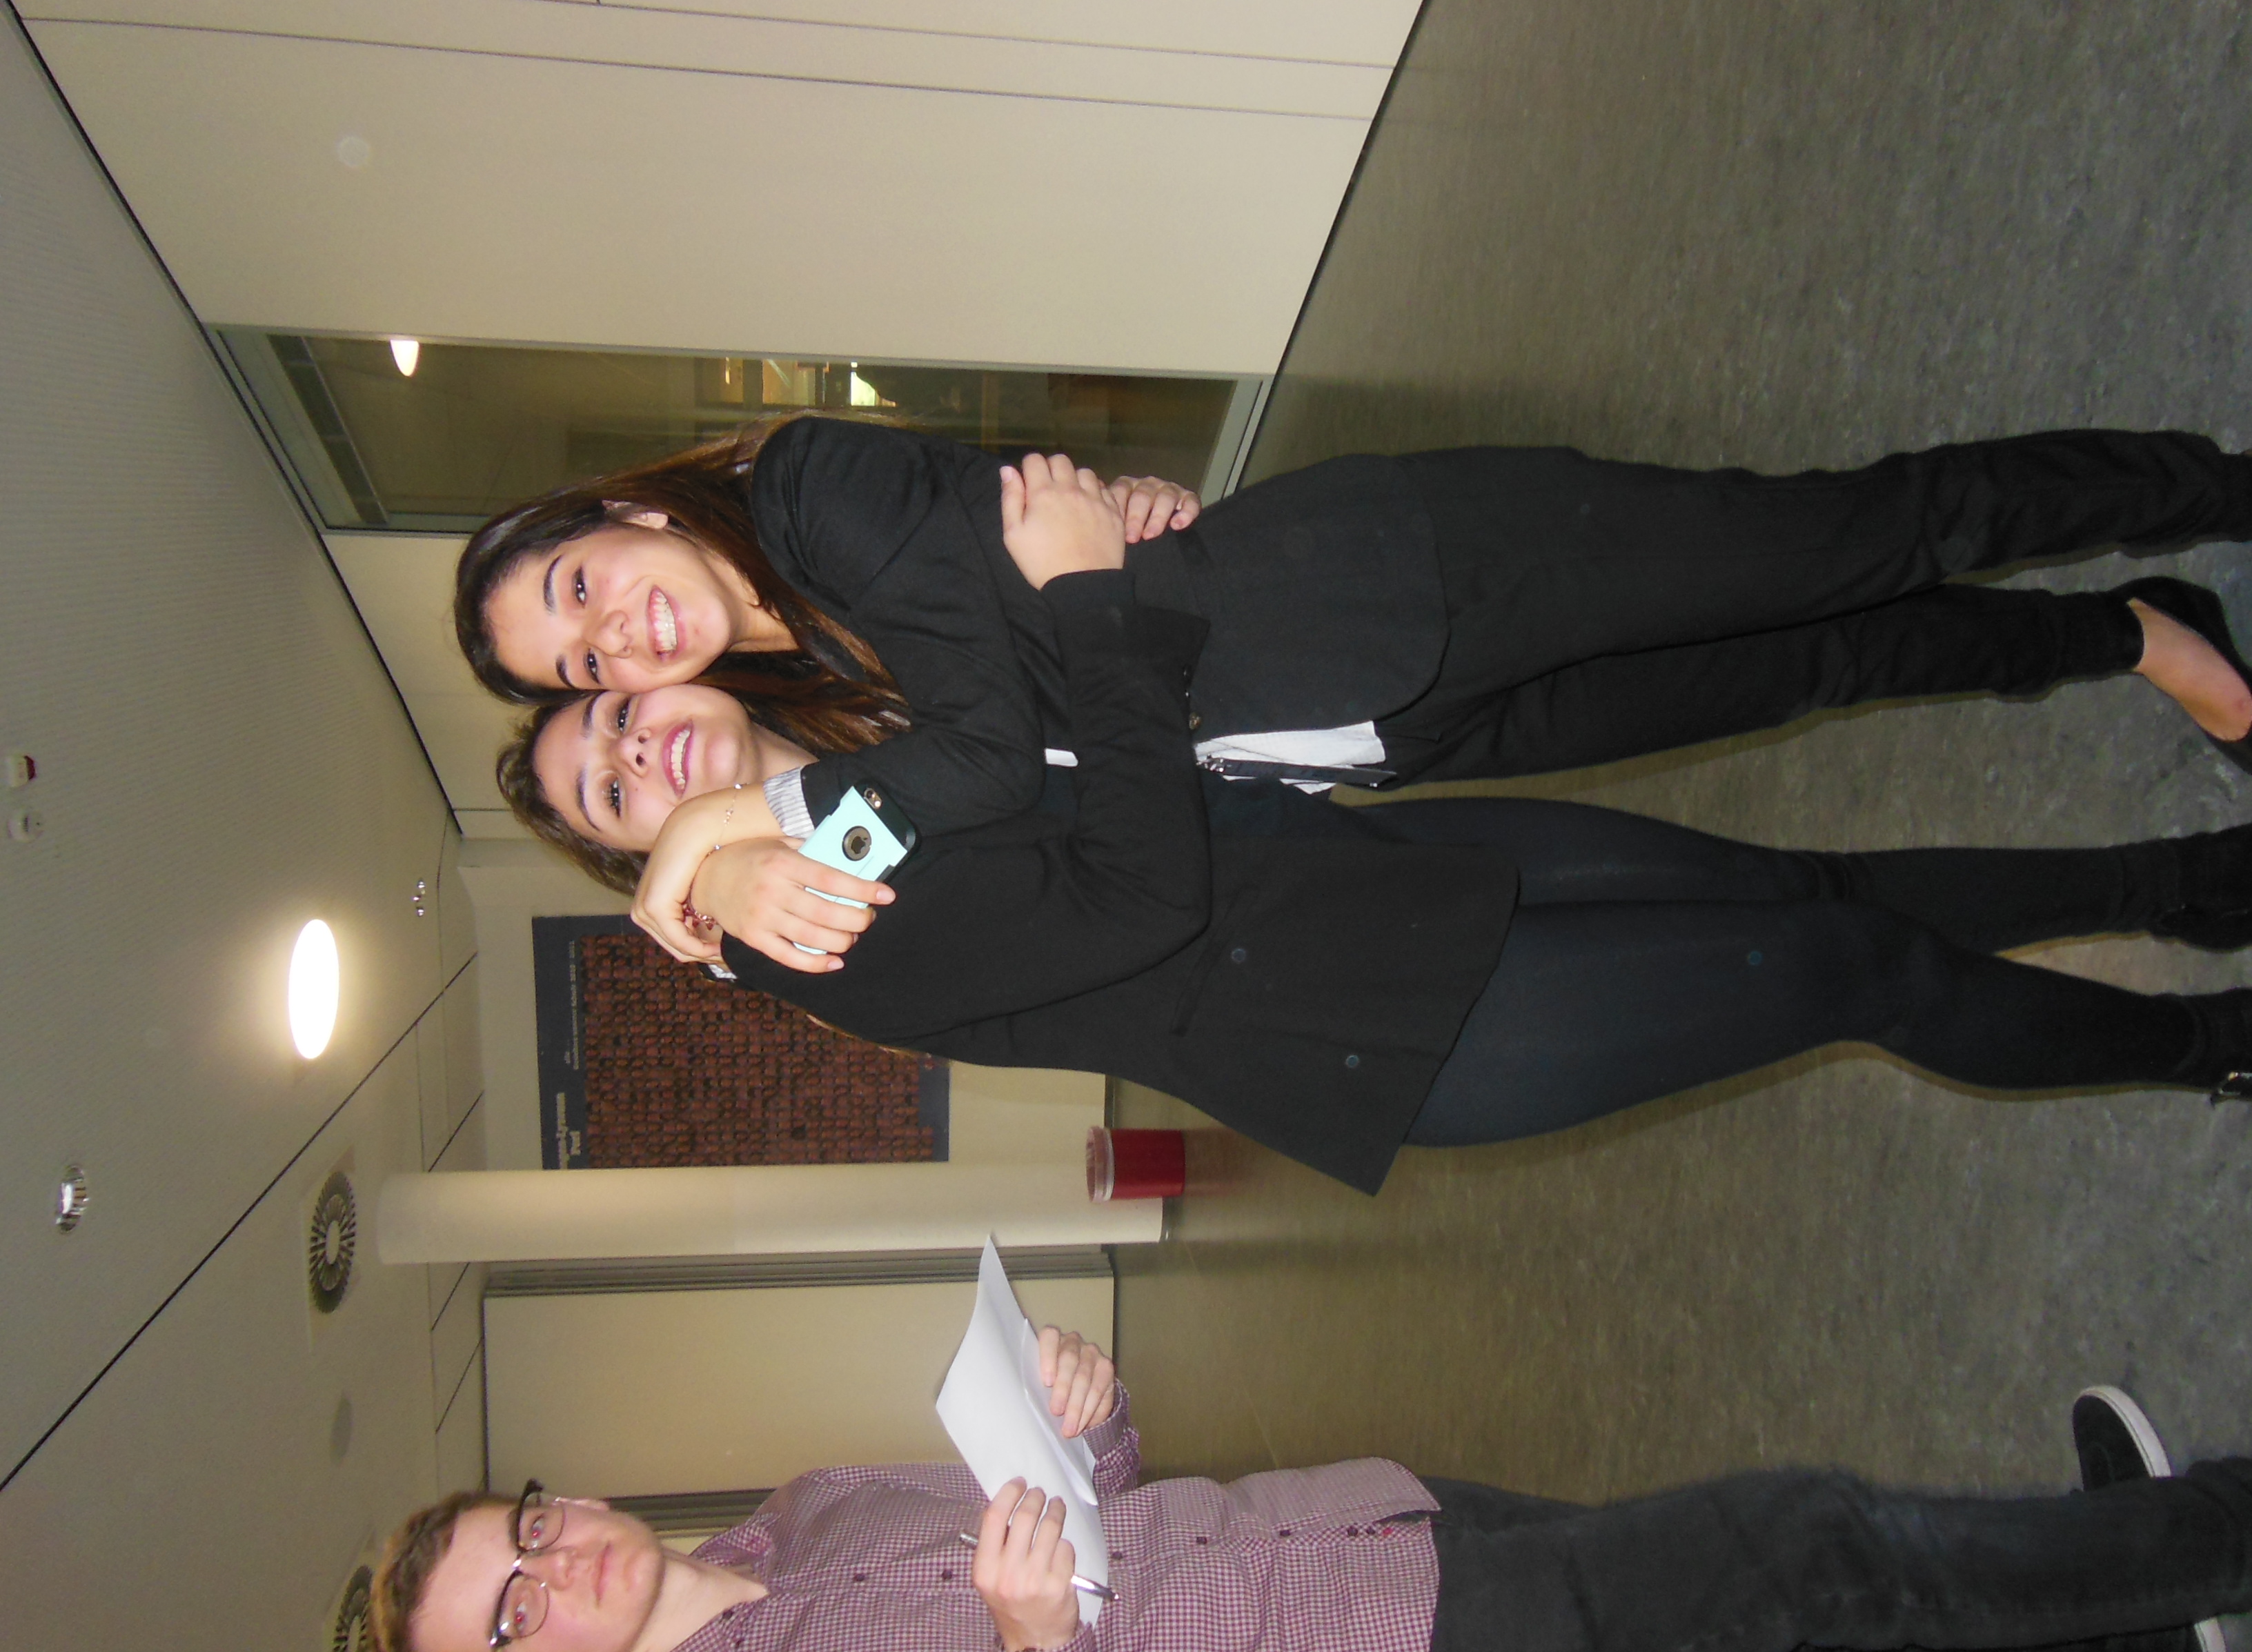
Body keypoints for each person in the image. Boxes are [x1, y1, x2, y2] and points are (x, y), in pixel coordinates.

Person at [491, 460, 2252, 1195]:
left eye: (609, 696)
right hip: (1372, 1010)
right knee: (1855, 962)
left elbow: (1013, 625)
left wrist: (1128, 532)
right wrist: (721, 846)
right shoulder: (795, 901)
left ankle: (2182, 875)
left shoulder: (831, 717)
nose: (634, 709)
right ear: (637, 862)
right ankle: (2213, 1046)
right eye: (610, 776)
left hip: (1367, 838)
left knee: (1821, 873)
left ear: (624, 519)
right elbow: (1120, 874)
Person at [456, 413, 2252, 964]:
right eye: (581, 669)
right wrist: (737, 852)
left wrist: (714, 825)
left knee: (1847, 540)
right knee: (1805, 671)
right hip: (1375, 729)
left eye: (580, 596)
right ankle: (2124, 635)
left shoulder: (803, 496)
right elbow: (988, 772)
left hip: (1411, 575)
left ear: (625, 513)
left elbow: (991, 754)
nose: (621, 652)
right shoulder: (823, 692)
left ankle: (2206, 486)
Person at [369, 1326, 2252, 1652]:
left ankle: (2135, 1641)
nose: (557, 1568)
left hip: (1352, 1527)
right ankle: (2194, 1545)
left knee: (1754, 1645)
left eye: (519, 1533)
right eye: (508, 1620)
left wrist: (1090, 1421)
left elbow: (1067, 1499)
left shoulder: (808, 1508)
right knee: (1793, 1547)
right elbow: (1048, 1632)